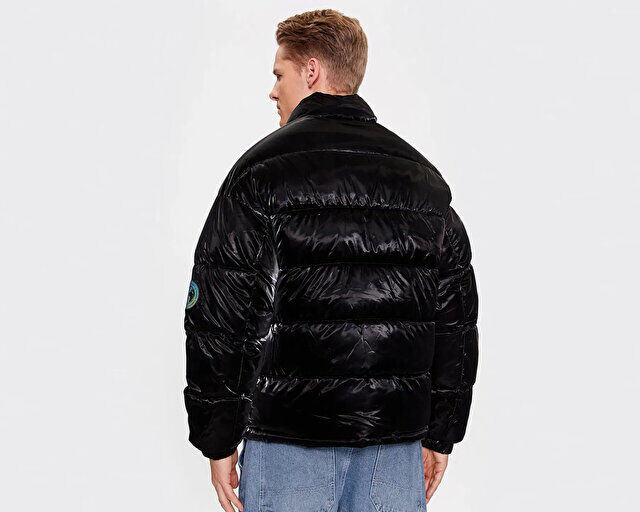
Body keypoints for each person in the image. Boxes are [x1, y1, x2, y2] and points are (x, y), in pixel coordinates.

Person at [183, 8, 479, 512]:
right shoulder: (422, 180)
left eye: (279, 74)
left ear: (311, 70)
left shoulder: (259, 172)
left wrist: (218, 434)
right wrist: (441, 431)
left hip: (288, 441)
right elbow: (456, 318)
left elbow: (221, 312)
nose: (272, 91)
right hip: (393, 446)